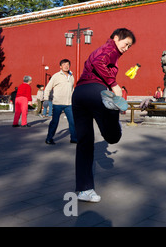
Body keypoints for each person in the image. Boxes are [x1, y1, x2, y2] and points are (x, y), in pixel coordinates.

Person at [72, 28, 136, 202]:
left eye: (129, 46)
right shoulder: (110, 49)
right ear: (115, 37)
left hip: (78, 94)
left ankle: (85, 190)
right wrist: (113, 84)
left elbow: (93, 61)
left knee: (84, 143)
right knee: (113, 136)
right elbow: (99, 62)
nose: (126, 48)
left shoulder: (102, 49)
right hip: (96, 91)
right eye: (126, 43)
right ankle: (114, 114)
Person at [44, 59, 77, 145]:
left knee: (72, 121)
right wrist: (46, 99)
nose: (66, 66)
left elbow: (72, 89)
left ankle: (73, 138)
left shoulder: (71, 76)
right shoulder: (56, 76)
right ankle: (49, 138)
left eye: (68, 64)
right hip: (57, 104)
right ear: (60, 66)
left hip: (69, 104)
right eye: (64, 64)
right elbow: (48, 88)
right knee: (55, 122)